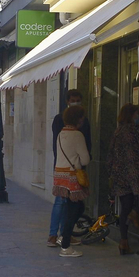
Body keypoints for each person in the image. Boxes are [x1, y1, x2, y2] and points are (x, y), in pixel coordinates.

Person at [107, 103, 139, 256]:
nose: (138, 117)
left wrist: (111, 173)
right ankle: (137, 212)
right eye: (137, 114)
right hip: (135, 171)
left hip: (119, 174)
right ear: (131, 115)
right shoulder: (134, 130)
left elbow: (110, 154)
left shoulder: (117, 131)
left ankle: (124, 242)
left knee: (125, 207)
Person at [47, 88, 93, 247]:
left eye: (78, 100)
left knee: (65, 203)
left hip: (65, 168)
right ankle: (57, 235)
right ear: (67, 101)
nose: (75, 102)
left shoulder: (79, 123)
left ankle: (61, 235)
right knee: (66, 203)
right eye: (73, 100)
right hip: (71, 168)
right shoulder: (60, 120)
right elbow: (85, 150)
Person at [53, 106, 90, 258]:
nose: (83, 120)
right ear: (77, 119)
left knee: (74, 208)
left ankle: (64, 237)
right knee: (74, 209)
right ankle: (66, 245)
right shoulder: (77, 135)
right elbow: (86, 159)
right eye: (81, 117)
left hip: (60, 175)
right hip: (72, 176)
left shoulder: (61, 133)